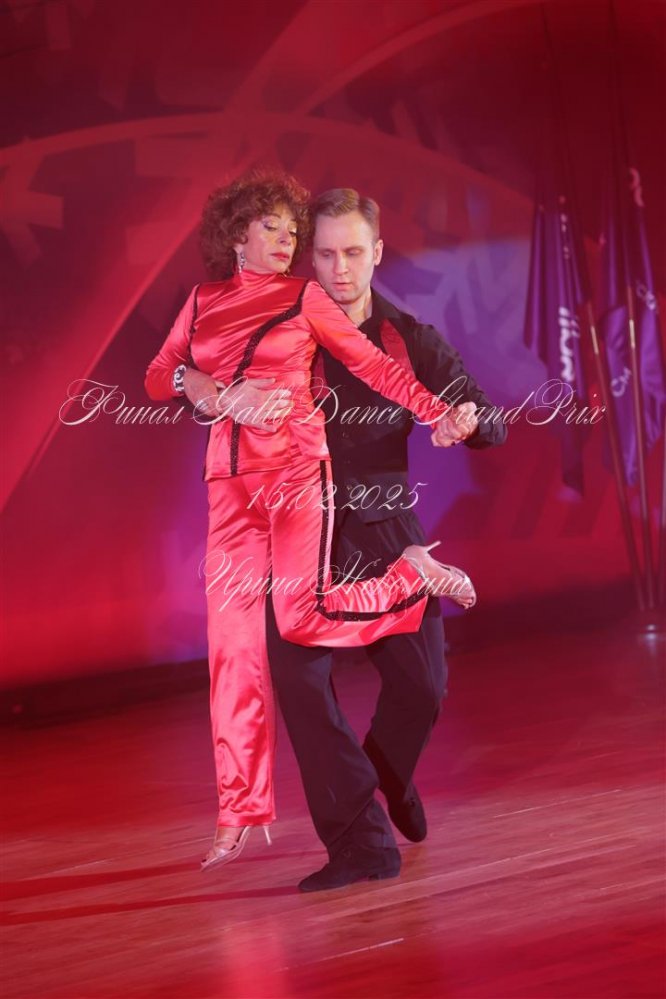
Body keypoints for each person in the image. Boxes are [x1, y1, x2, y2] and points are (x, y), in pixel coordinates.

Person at [144, 170, 476, 874]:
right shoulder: (200, 301)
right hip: (228, 489)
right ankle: (239, 811)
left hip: (300, 478)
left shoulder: (304, 300)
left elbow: (379, 369)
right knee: (233, 651)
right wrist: (200, 386)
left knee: (307, 626)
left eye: (294, 232)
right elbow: (158, 375)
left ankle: (409, 577)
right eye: (276, 229)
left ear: (373, 253)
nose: (288, 243)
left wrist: (441, 412)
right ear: (236, 234)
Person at [266, 188, 507, 892]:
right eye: (325, 254)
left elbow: (487, 417)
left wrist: (467, 419)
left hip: (388, 529)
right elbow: (209, 370)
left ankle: (387, 777)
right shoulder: (284, 331)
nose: (339, 269)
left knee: (423, 686)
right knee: (300, 685)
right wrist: (194, 381)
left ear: (376, 252)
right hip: (302, 533)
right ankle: (360, 843)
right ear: (310, 258)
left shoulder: (406, 337)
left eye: (352, 252)